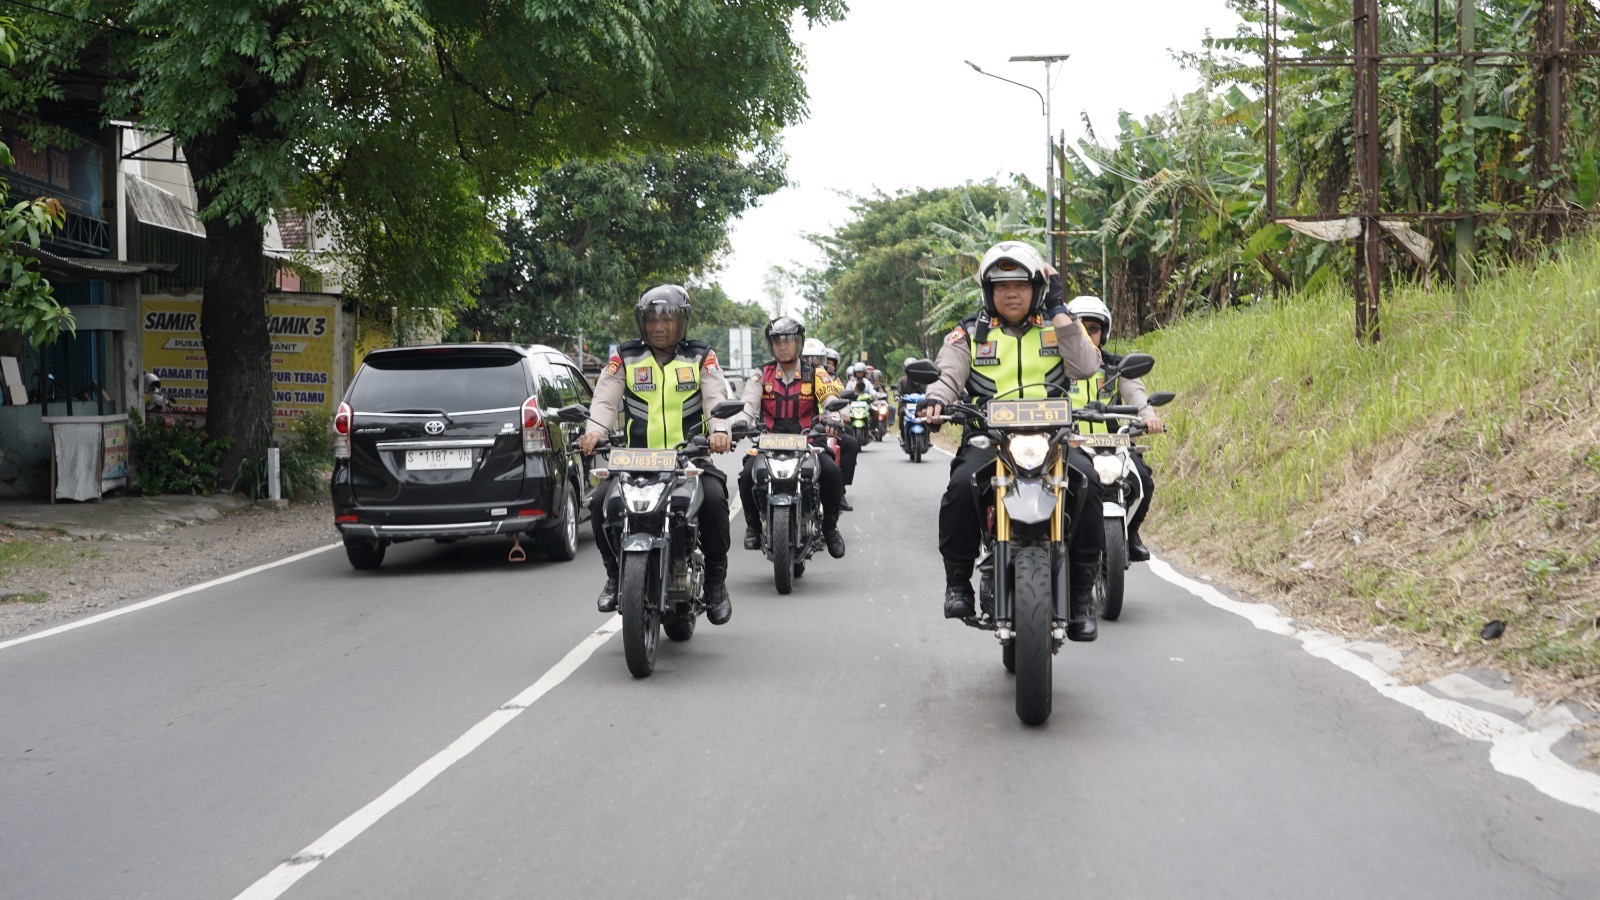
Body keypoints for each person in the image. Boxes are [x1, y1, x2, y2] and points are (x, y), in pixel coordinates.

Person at [920, 241, 1105, 640]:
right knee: (958, 488)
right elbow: (948, 375)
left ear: (1037, 288)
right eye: (1001, 286)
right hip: (989, 439)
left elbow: (1088, 366)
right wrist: (936, 399)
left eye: (1021, 284)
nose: (1011, 293)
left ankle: (1080, 597)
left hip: (1054, 439)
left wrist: (1059, 309)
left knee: (1089, 485)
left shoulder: (1057, 325)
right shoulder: (968, 333)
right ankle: (957, 584)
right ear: (989, 292)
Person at [579, 285, 736, 625]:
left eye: (667, 321)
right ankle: (614, 574)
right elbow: (605, 400)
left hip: (689, 458)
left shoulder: (701, 355)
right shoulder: (625, 356)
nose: (659, 328)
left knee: (713, 499)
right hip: (635, 460)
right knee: (599, 501)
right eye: (652, 321)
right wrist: (595, 430)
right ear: (642, 323)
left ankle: (715, 584)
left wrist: (720, 429)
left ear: (682, 323)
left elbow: (715, 397)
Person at [729, 316, 848, 559]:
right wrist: (742, 421)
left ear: (799, 344)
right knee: (746, 475)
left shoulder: (816, 373)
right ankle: (753, 525)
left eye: (788, 340)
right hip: (769, 443)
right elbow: (749, 402)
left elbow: (831, 399)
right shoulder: (761, 374)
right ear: (770, 345)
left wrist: (834, 416)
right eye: (777, 341)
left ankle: (830, 527)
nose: (783, 346)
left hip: (809, 441)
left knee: (832, 473)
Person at [1066, 295, 1163, 561]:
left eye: (1093, 329)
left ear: (1104, 333)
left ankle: (1130, 533)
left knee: (1141, 478)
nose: (1087, 335)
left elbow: (1136, 394)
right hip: (1068, 443)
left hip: (1111, 443)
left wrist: (1148, 417)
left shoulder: (1116, 368)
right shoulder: (1057, 368)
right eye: (1080, 329)